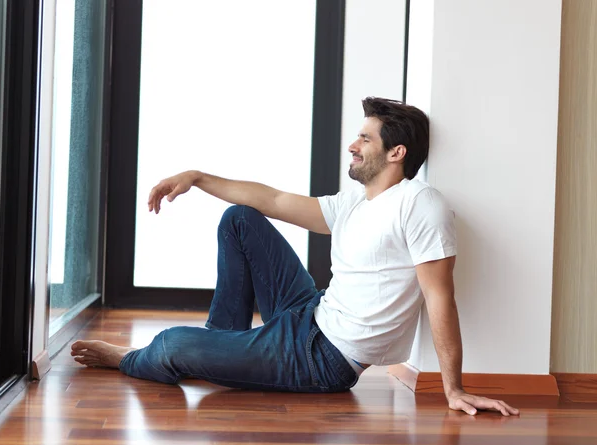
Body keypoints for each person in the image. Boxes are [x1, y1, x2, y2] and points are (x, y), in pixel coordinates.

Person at [71, 97, 519, 416]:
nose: (353, 145)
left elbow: (441, 299)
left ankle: (138, 357)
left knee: (170, 344)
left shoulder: (421, 205)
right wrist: (197, 176)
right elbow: (273, 199)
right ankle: (222, 344)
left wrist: (453, 389)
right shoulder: (355, 203)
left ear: (396, 153)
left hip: (323, 358)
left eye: (365, 138)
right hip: (310, 313)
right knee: (241, 218)